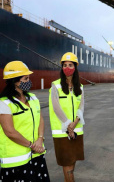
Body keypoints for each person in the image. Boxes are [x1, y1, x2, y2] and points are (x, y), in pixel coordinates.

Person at [0, 61, 50, 182]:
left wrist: (40, 138)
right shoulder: (4, 103)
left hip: (36, 155)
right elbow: (10, 132)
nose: (29, 81)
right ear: (14, 81)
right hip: (16, 161)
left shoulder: (33, 97)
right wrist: (31, 145)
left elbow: (40, 119)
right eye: (25, 78)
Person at [49, 52, 85, 182]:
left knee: (73, 160)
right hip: (62, 132)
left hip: (76, 130)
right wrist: (68, 124)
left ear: (75, 67)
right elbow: (56, 107)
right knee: (67, 163)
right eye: (64, 65)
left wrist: (75, 123)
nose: (67, 67)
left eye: (70, 65)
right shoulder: (56, 85)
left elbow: (81, 107)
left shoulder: (80, 87)